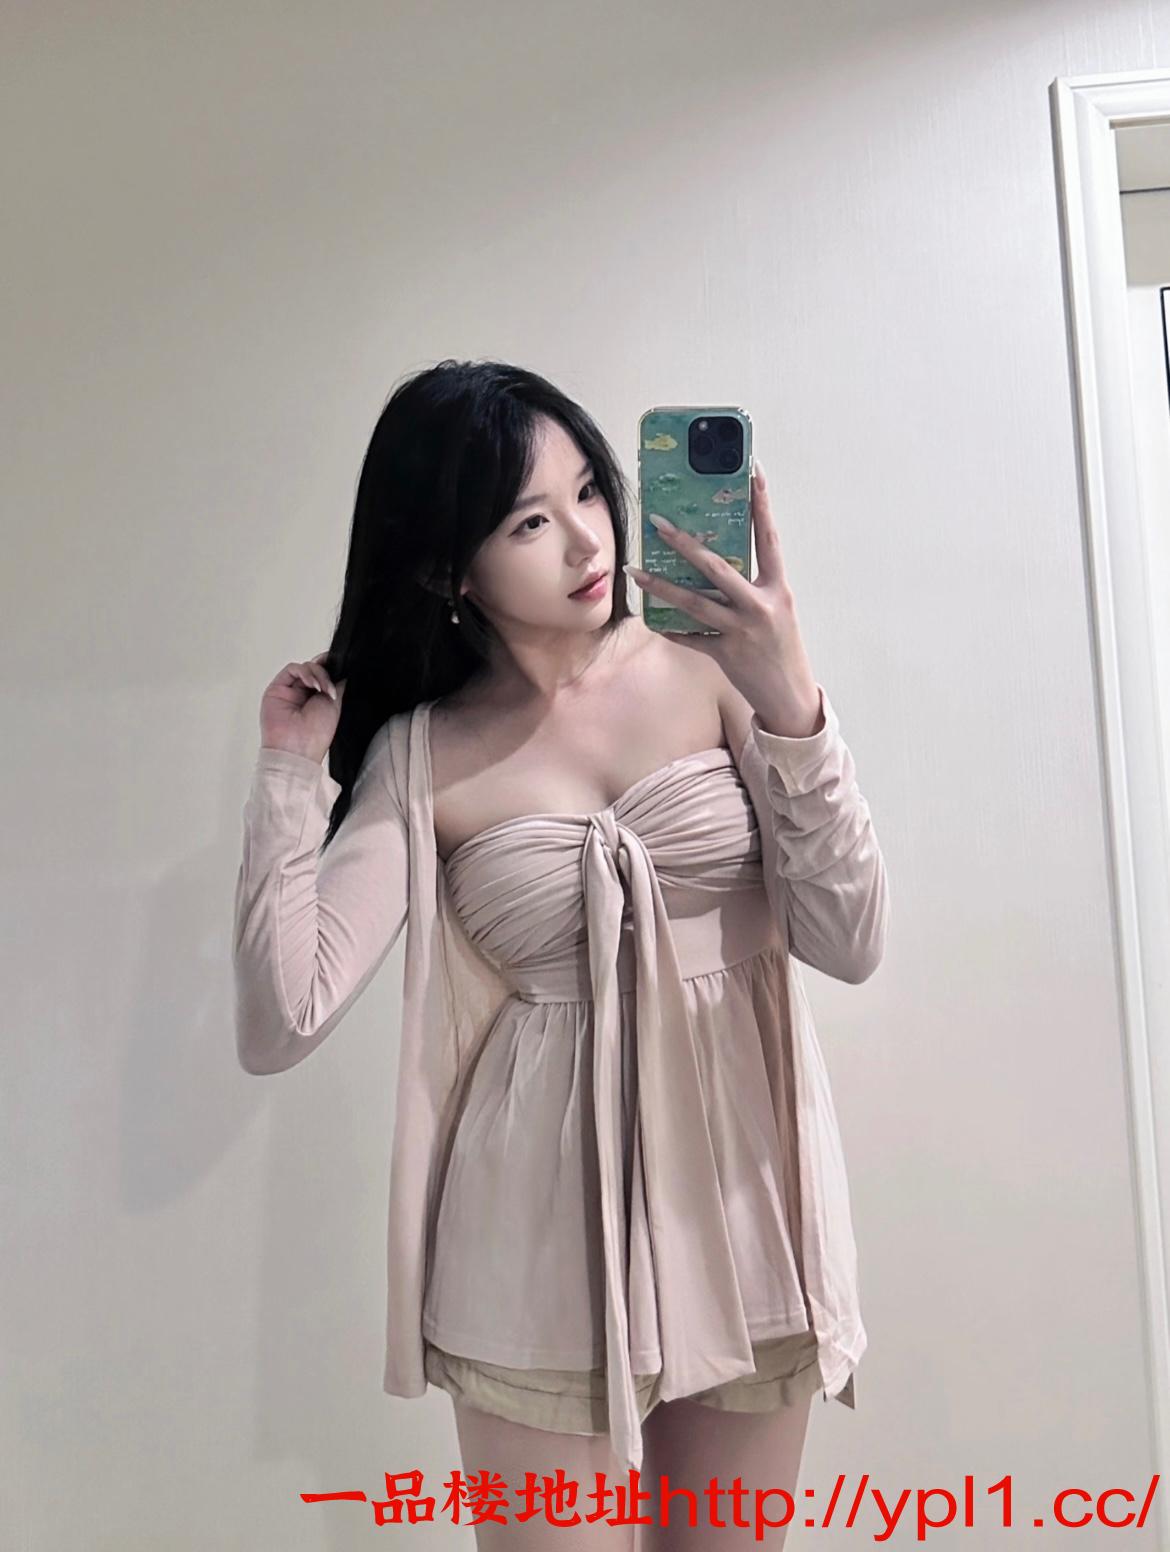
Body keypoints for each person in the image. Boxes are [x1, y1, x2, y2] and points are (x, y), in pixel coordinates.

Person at [233, 359, 890, 1550]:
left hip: (745, 1206)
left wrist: (793, 700)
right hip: (532, 1245)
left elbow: (850, 939)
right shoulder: (422, 754)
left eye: (589, 489)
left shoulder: (716, 672)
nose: (589, 539)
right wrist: (289, 774)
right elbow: (283, 1021)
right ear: (447, 568)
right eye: (530, 521)